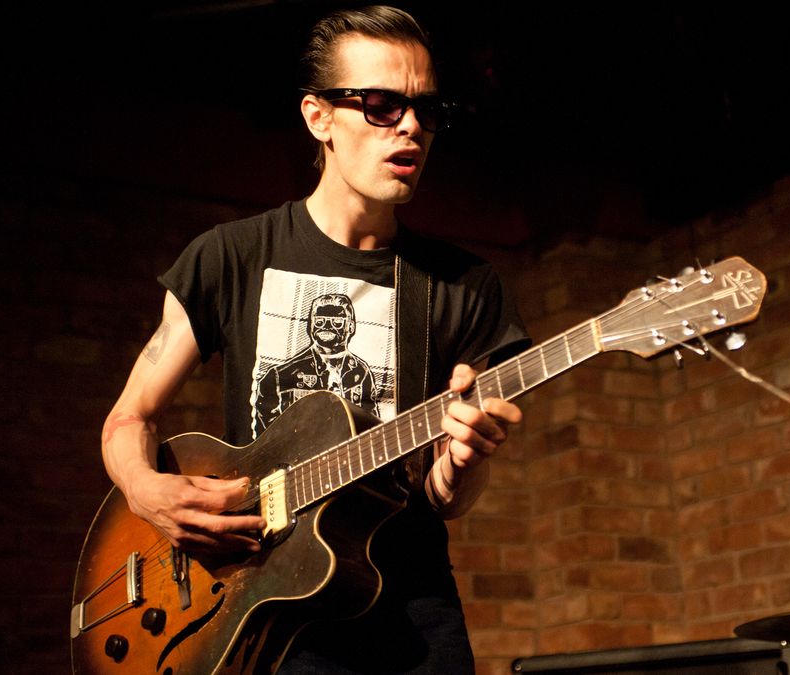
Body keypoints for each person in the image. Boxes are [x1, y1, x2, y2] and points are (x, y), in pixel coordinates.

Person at [100, 5, 528, 673]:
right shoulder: (231, 256)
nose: (411, 124)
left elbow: (446, 499)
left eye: (426, 108)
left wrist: (464, 463)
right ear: (318, 116)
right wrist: (144, 488)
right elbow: (130, 416)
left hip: (409, 613)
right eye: (382, 104)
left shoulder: (464, 286)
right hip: (257, 603)